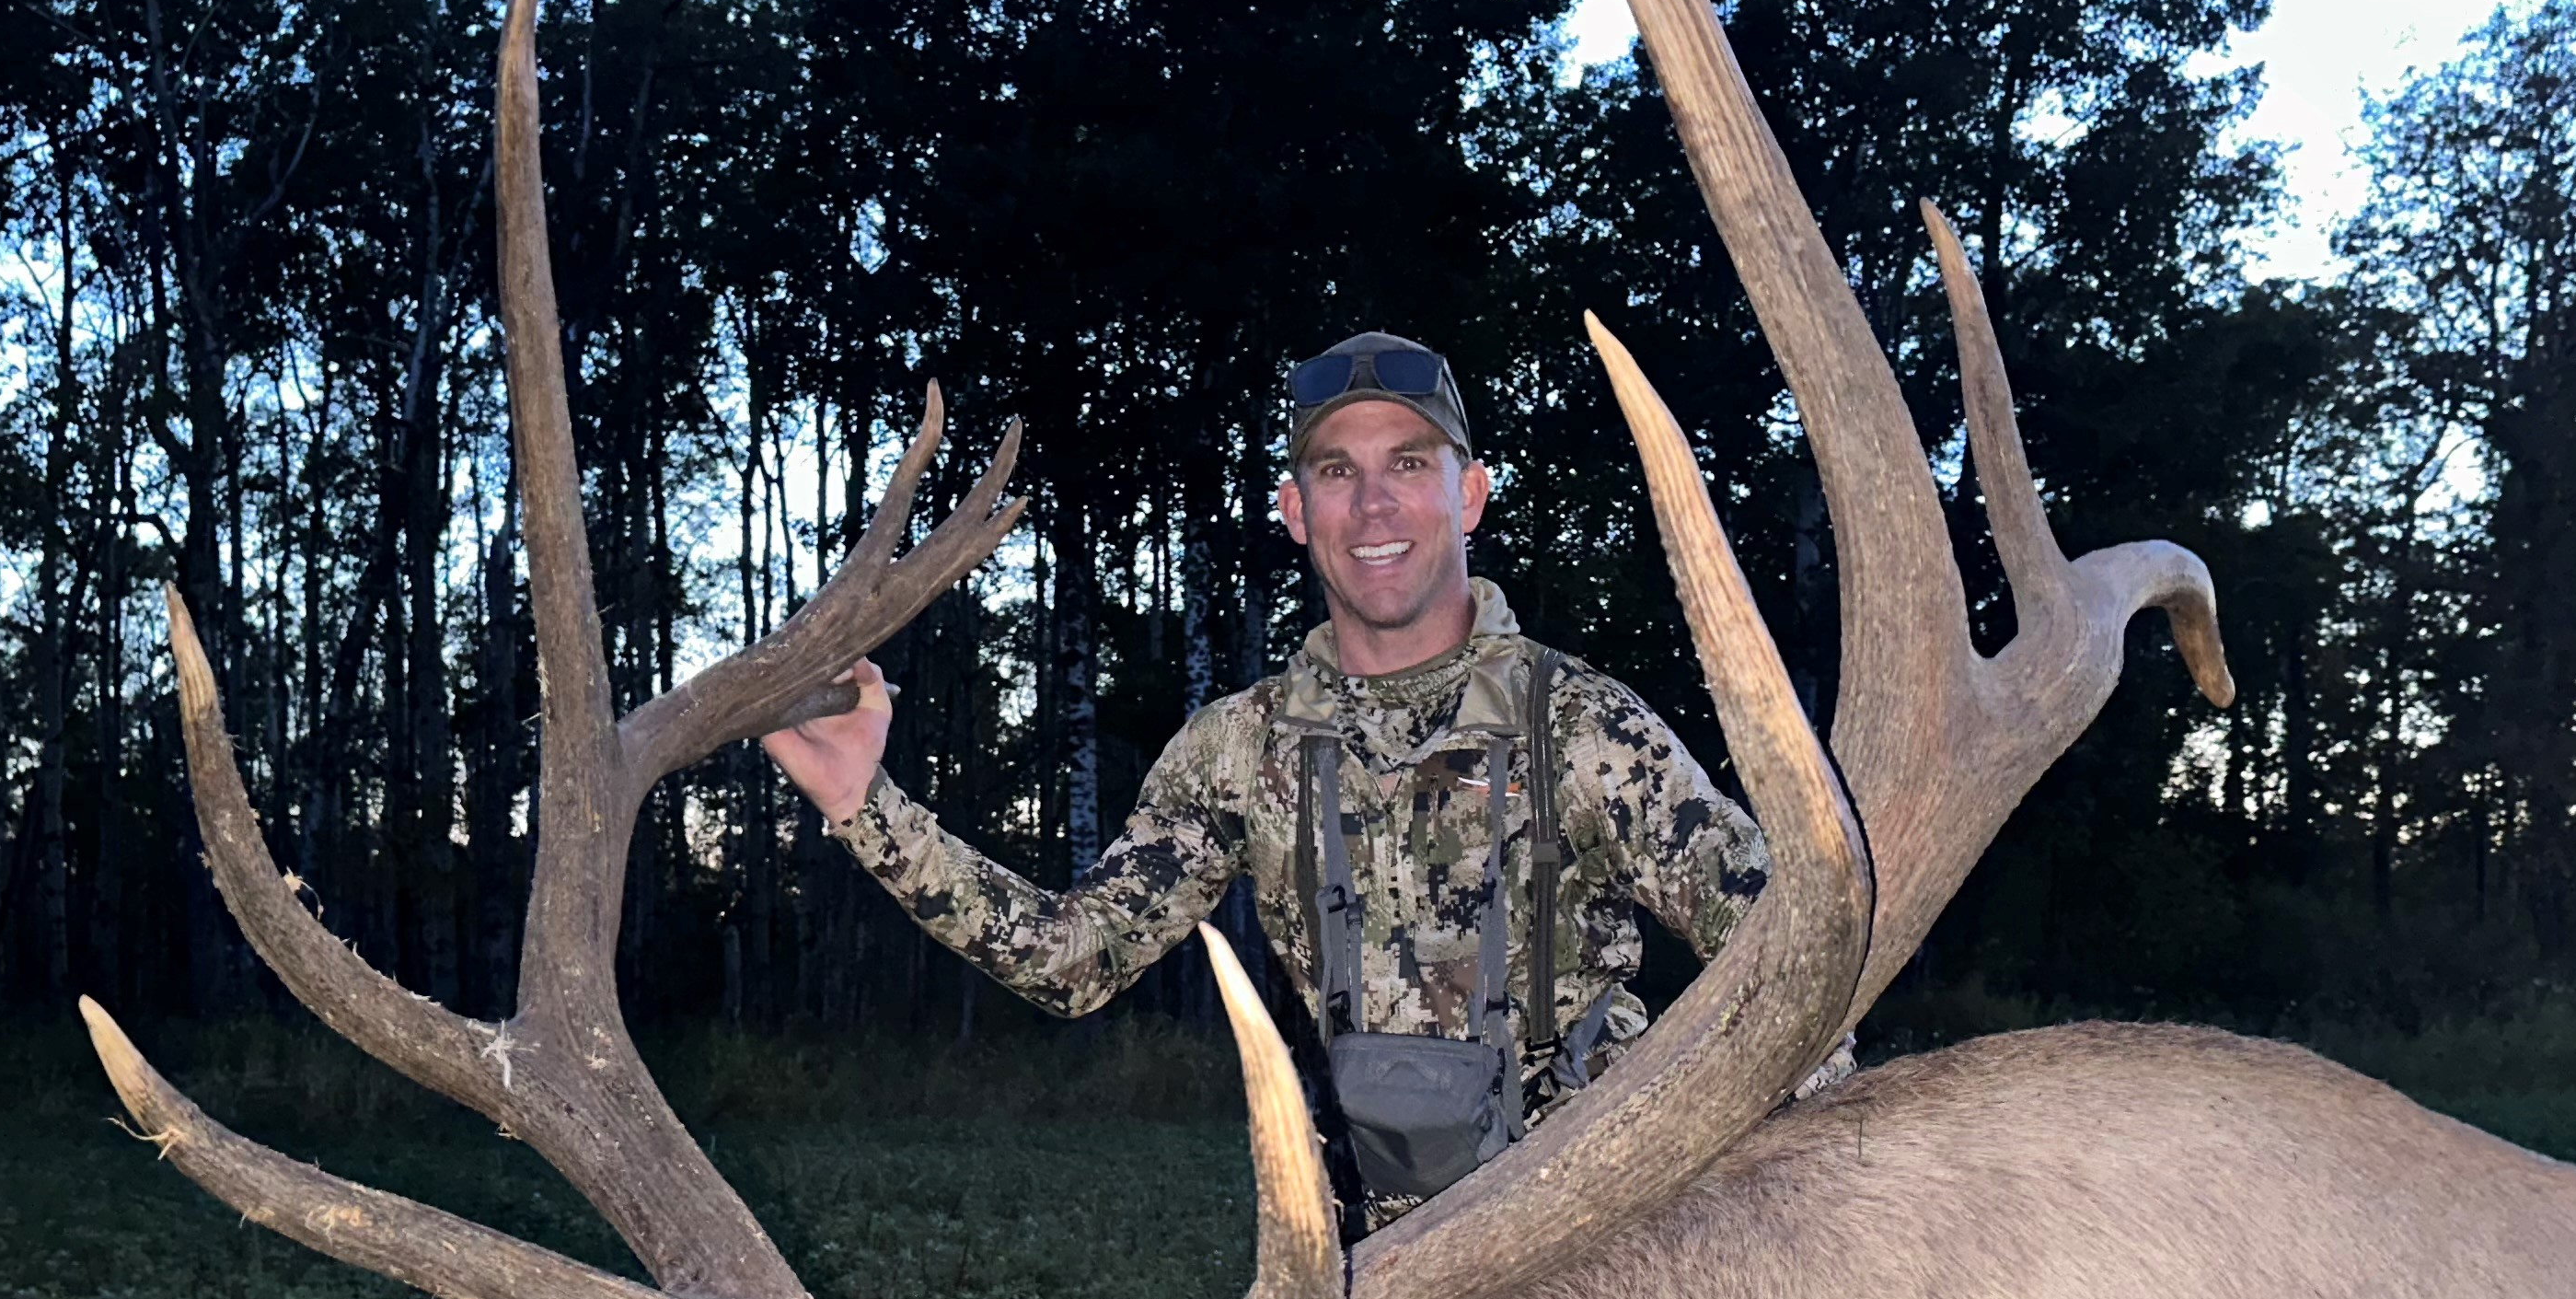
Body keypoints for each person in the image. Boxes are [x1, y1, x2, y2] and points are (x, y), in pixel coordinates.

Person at [766, 331, 1838, 1224]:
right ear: (1296, 512)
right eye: (1339, 472)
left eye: (1410, 465)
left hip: (1602, 1241)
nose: (1375, 506)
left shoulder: (1588, 729)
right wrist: (870, 807)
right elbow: (1073, 960)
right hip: (1367, 1286)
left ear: (1469, 496)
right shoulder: (1241, 750)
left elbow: (1800, 974)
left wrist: (1794, 1206)